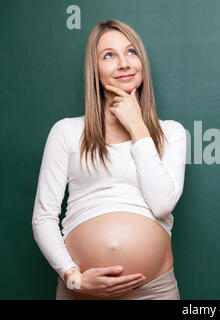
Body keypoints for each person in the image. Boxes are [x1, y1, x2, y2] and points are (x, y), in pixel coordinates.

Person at [31, 19, 187, 300]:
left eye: (131, 52)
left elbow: (162, 205)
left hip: (154, 292)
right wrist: (73, 278)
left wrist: (138, 128)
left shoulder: (171, 133)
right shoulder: (66, 131)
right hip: (81, 292)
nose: (124, 64)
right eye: (109, 56)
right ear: (95, 70)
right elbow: (43, 218)